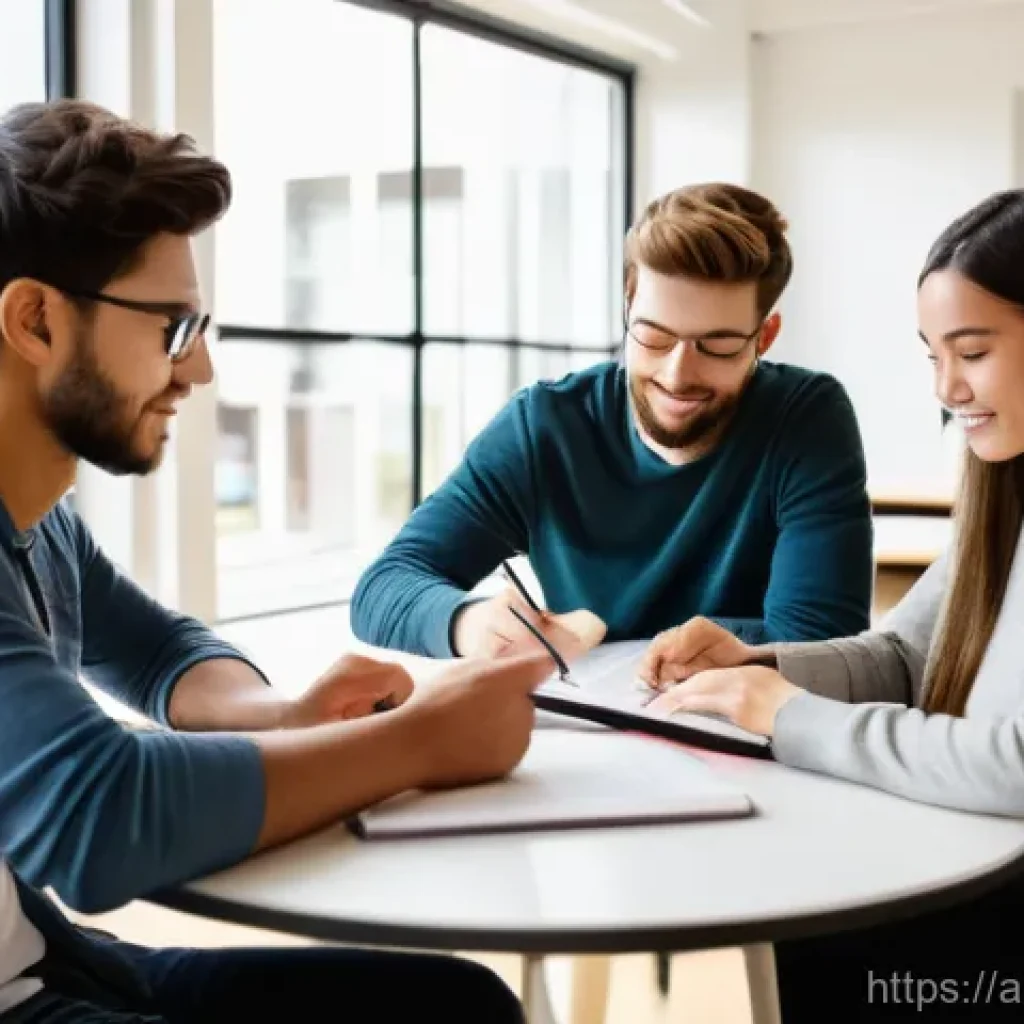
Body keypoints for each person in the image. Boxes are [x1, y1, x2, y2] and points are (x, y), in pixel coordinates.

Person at [0, 99, 568, 1024]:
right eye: (170, 329)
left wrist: (283, 715)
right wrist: (422, 741)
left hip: (50, 965)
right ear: (34, 321)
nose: (200, 371)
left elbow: (151, 652)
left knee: (457, 1004)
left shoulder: (41, 521)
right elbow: (95, 818)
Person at [638, 190, 1024, 1021]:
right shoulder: (1006, 499)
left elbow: (1017, 765)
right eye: (932, 355)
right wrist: (762, 667)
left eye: (973, 351)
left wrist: (794, 718)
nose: (947, 388)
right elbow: (909, 657)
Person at [350, 183, 874, 664]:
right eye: (654, 336)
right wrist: (469, 623)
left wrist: (629, 642)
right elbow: (384, 587)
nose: (678, 374)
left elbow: (822, 642)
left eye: (717, 345)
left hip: (740, 736)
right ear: (628, 306)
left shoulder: (805, 419)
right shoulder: (545, 426)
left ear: (765, 336)